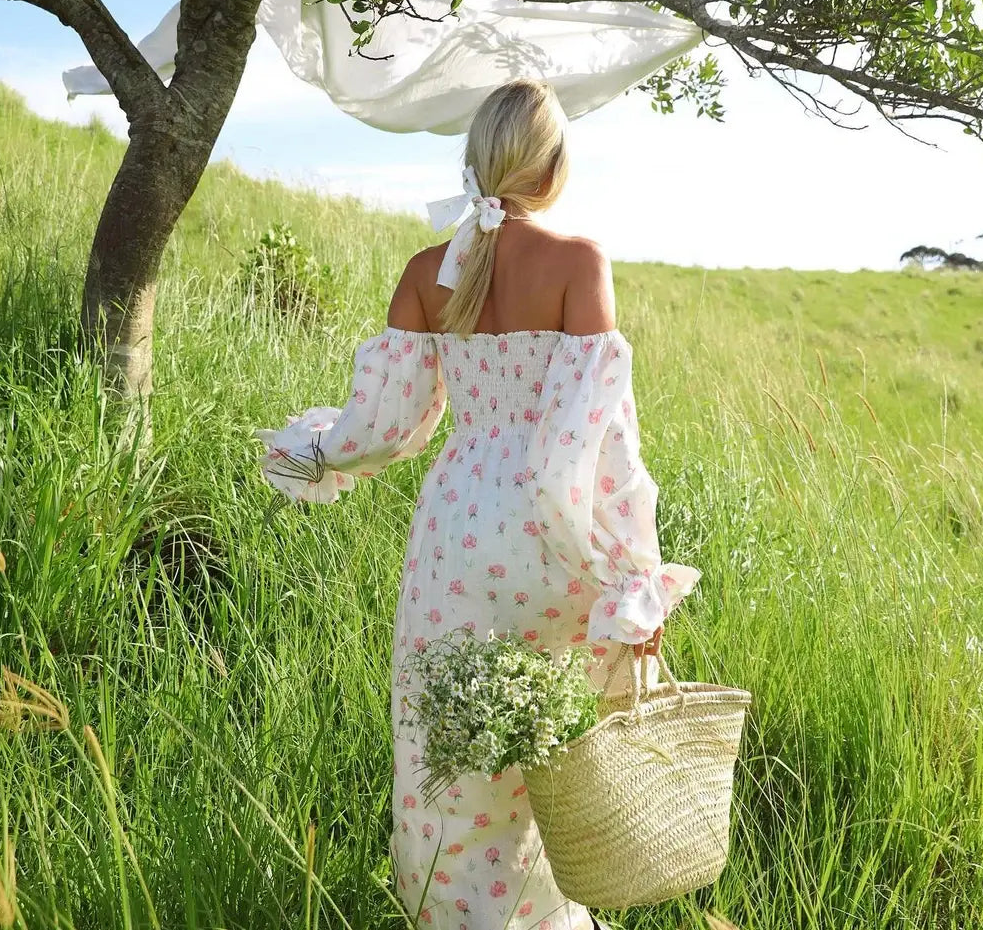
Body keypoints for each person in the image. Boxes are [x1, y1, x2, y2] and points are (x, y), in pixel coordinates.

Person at [259, 78, 700, 929]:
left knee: (445, 746)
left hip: (458, 528)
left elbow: (385, 425)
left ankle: (452, 914)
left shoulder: (430, 271)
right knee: (551, 747)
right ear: (554, 162)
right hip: (549, 536)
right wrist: (631, 574)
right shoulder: (580, 262)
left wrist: (309, 450)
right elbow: (597, 439)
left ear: (474, 161)